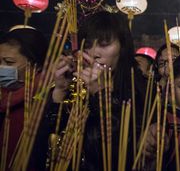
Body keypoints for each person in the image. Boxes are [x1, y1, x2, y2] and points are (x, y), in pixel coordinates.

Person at [35, 11, 146, 170]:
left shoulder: (140, 89)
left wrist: (100, 93)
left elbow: (122, 152)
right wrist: (59, 91)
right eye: (87, 46)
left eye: (104, 44)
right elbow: (45, 144)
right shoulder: (76, 86)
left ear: (123, 47)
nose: (94, 53)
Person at [0, 27, 48, 166]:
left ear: (36, 66)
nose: (1, 67)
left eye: (9, 62)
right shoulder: (4, 93)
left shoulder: (46, 97)